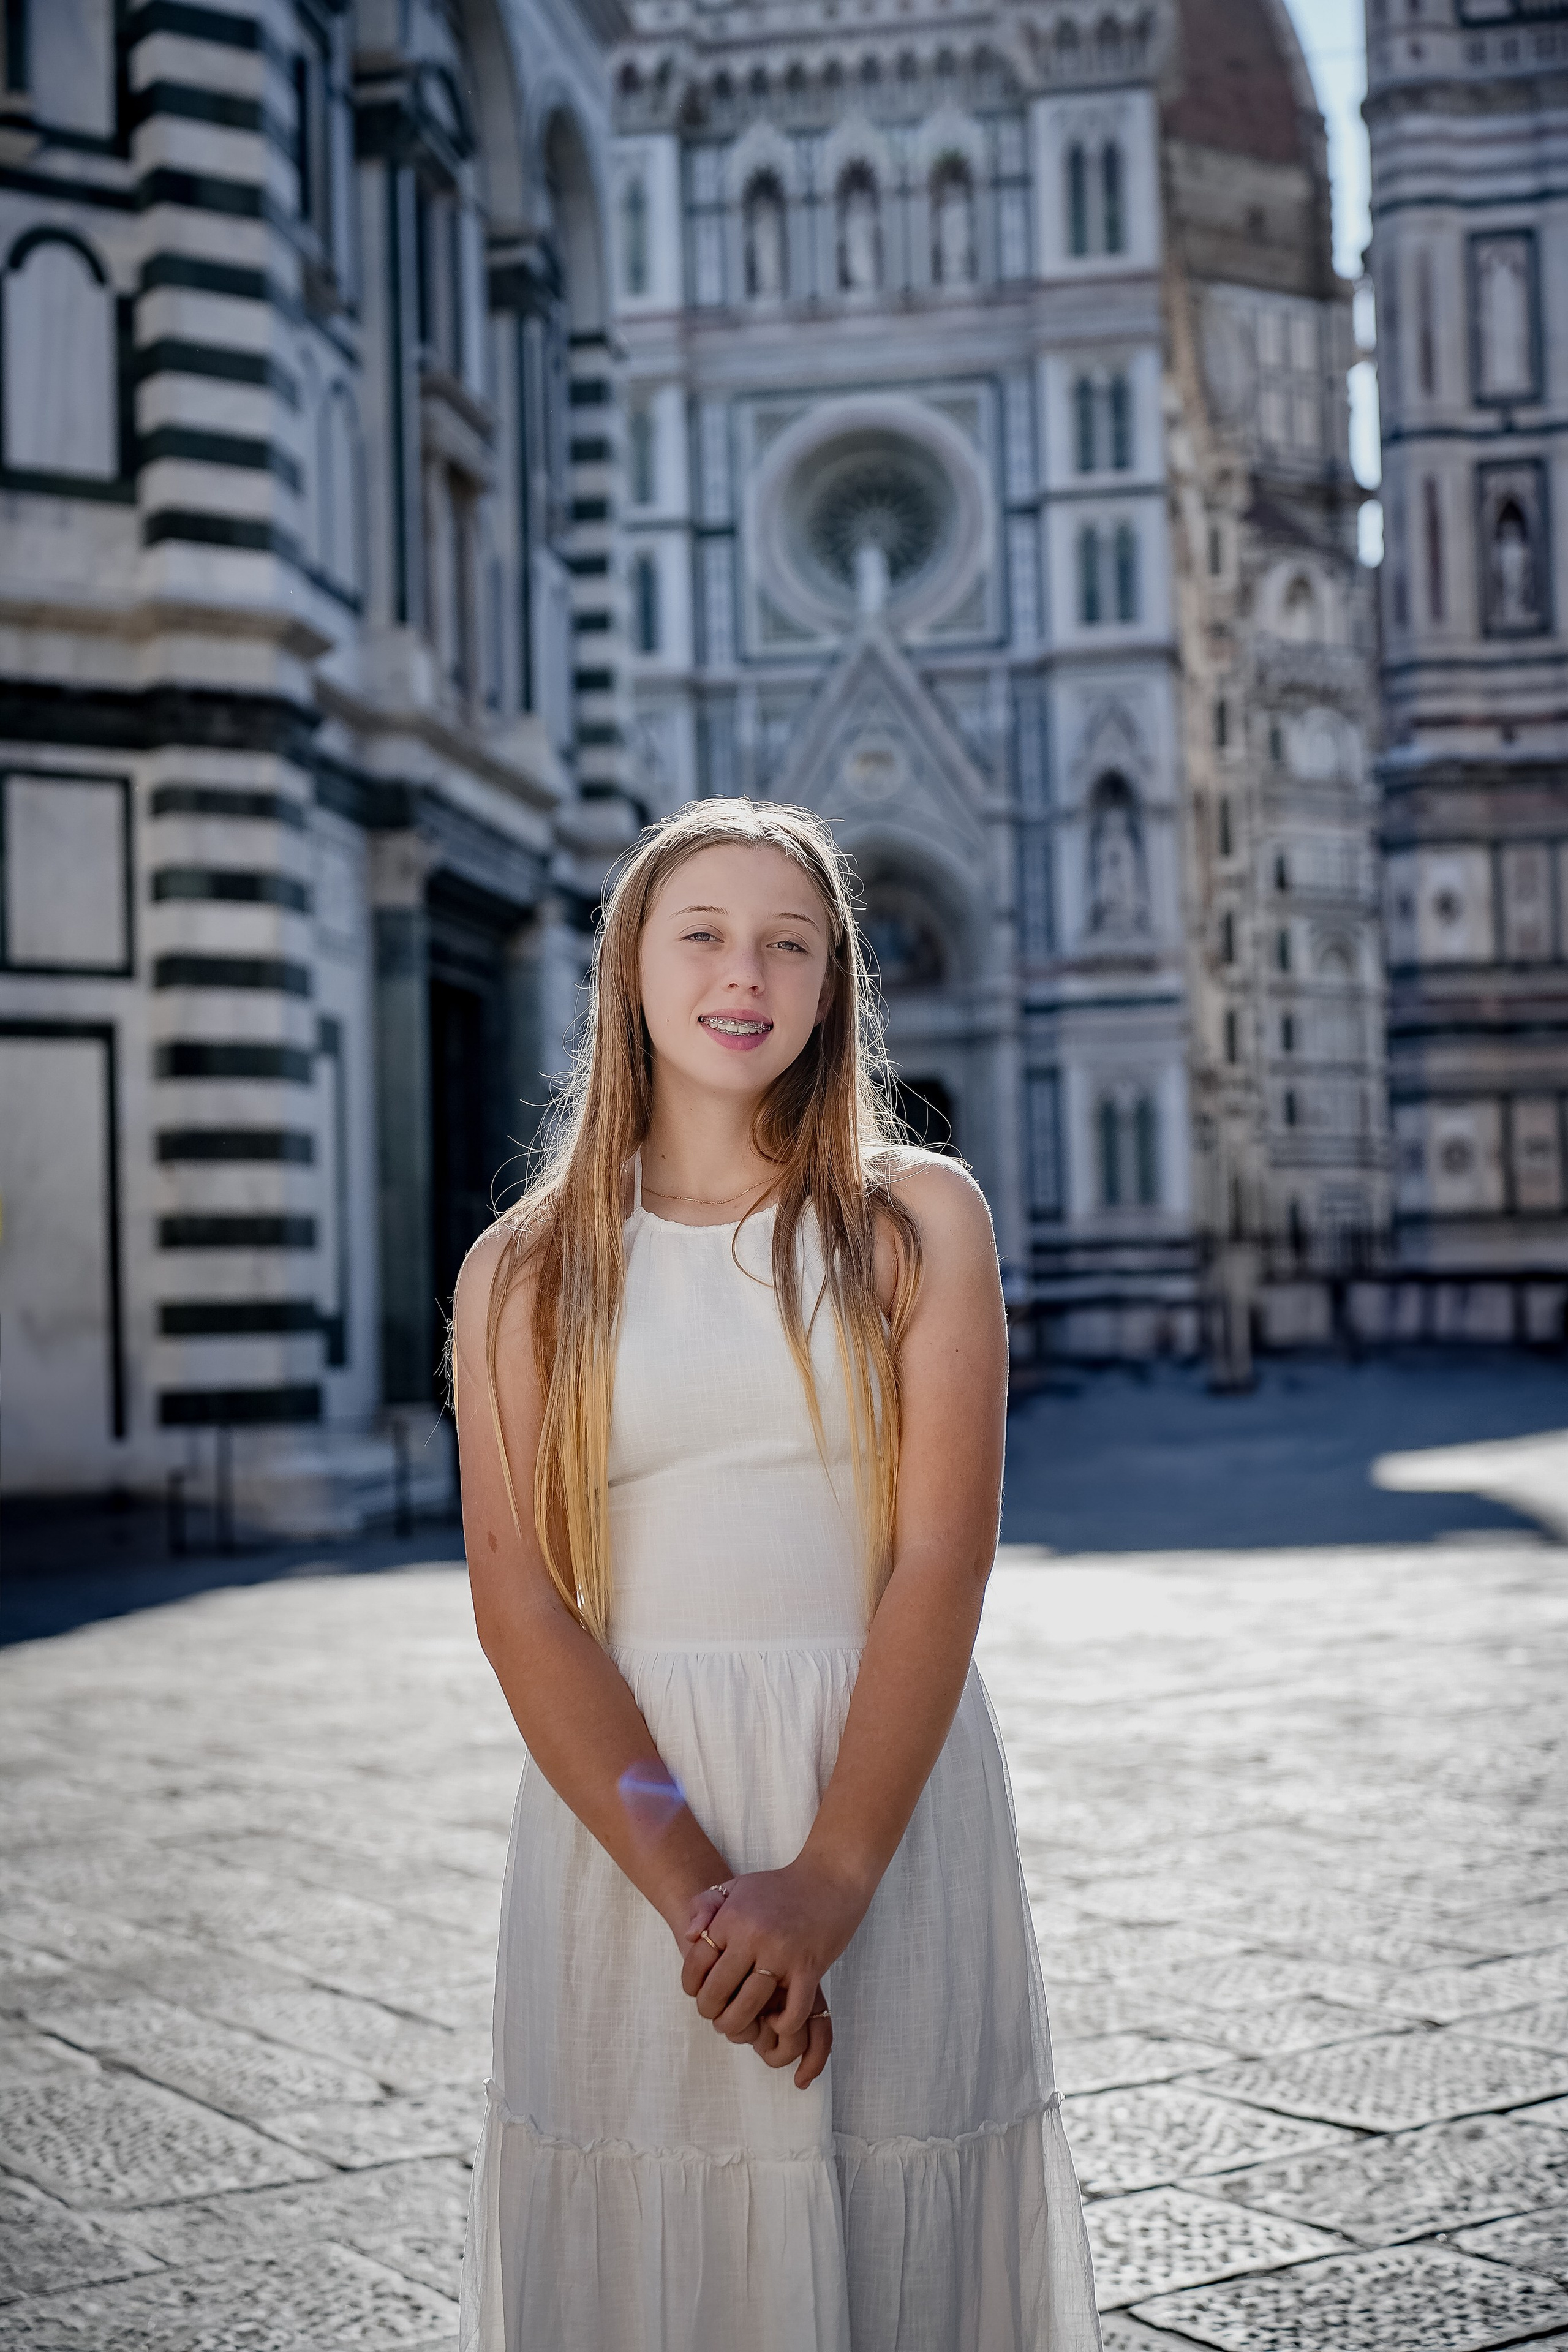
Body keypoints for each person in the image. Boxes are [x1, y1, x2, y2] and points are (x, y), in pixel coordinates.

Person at [451, 799, 1101, 2350]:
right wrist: (702, 1900)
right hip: (634, 1811)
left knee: (895, 2230)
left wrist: (826, 1882)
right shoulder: (526, 1270)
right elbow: (524, 1607)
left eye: (787, 944)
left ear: (830, 987)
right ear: (629, 970)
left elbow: (941, 1558)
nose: (743, 973)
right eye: (703, 935)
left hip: (880, 1786)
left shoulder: (913, 1221)